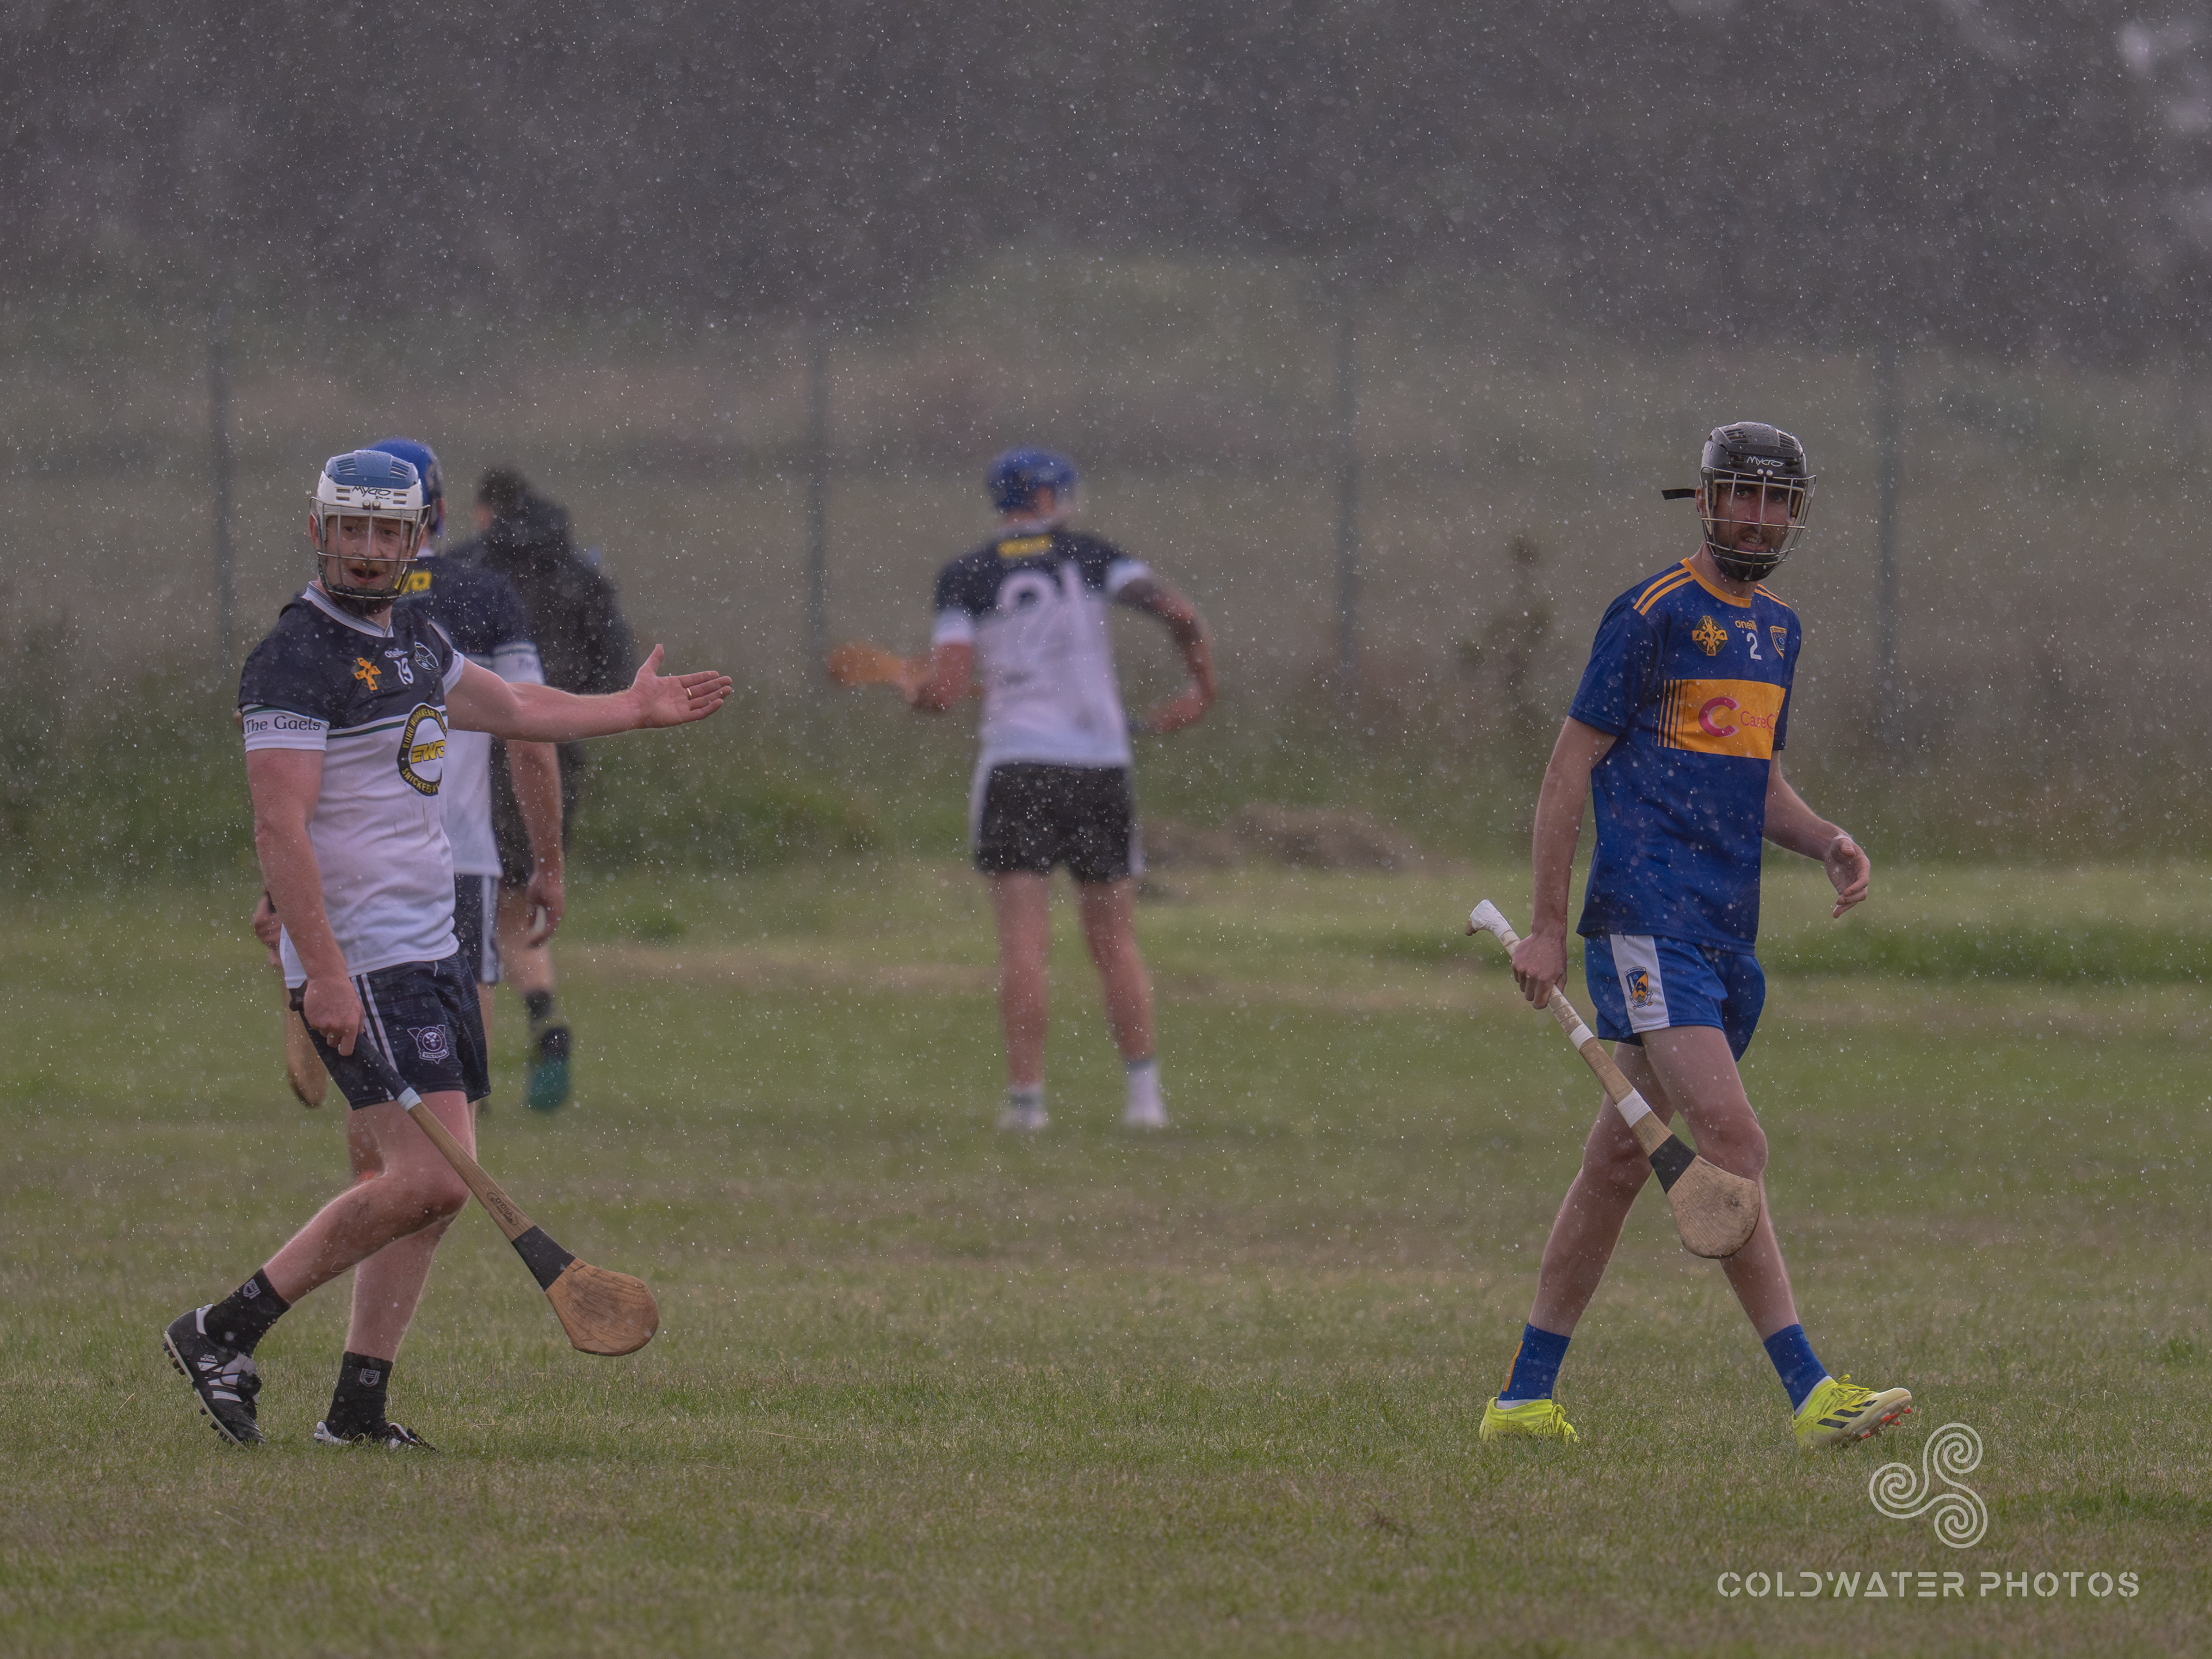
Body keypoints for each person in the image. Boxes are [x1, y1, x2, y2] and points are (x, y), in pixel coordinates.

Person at [165, 449, 728, 1449]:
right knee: (426, 1179)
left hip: (431, 950)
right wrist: (322, 974)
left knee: (437, 1198)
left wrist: (632, 710)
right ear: (318, 531)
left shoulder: (418, 637)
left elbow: (515, 710)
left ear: (417, 539)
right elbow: (279, 828)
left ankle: (358, 1408)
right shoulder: (294, 659)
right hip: (363, 960)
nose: (367, 549)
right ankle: (223, 1330)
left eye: (387, 532)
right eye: (351, 528)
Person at [1482, 423, 1913, 1450]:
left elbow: (1758, 783)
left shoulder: (1780, 633)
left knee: (1615, 1166)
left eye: (1778, 501)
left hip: (1724, 934)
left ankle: (1523, 1401)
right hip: (1648, 923)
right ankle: (1810, 1393)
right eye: (1742, 496)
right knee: (1733, 1141)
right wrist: (1547, 928)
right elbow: (1567, 770)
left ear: (1797, 514)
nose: (1758, 518)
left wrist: (1827, 840)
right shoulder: (1651, 616)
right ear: (1708, 500)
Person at [902, 448, 1215, 1131]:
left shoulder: (966, 575)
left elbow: (946, 692)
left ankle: (1028, 1105)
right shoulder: (1094, 556)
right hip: (1098, 765)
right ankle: (1145, 1102)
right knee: (1115, 941)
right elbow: (1181, 614)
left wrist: (919, 692)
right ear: (1046, 499)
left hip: (1017, 765)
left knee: (1024, 946)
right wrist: (1201, 686)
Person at [446, 468, 637, 1111]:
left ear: (483, 512)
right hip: (557, 748)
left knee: (469, 911)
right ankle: (543, 1017)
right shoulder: (581, 573)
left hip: (474, 750)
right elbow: (615, 667)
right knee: (517, 901)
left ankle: (466, 1082)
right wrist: (567, 704)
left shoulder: (468, 572)